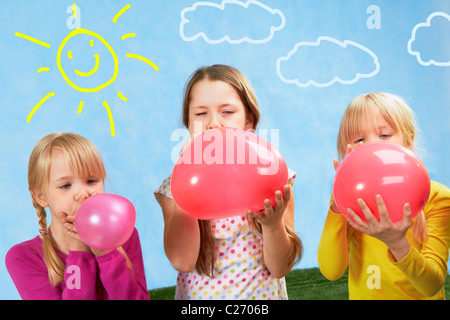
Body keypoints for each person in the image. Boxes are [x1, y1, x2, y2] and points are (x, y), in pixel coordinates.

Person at [154, 64, 302, 300]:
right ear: (189, 124)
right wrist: (186, 182)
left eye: (227, 112)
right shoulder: (172, 187)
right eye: (201, 114)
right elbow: (182, 261)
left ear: (248, 120)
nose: (214, 124)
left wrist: (273, 225)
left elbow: (280, 268)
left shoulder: (274, 177)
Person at [318, 92, 450, 299]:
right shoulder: (352, 200)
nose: (372, 146)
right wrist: (337, 207)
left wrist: (398, 244)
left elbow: (432, 285)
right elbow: (331, 270)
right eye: (360, 139)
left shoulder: (438, 198)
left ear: (409, 142)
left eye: (384, 135)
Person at [5, 132, 149, 300]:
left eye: (91, 181)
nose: (83, 194)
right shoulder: (24, 257)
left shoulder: (125, 235)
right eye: (66, 185)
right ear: (41, 197)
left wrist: (106, 253)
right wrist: (78, 254)